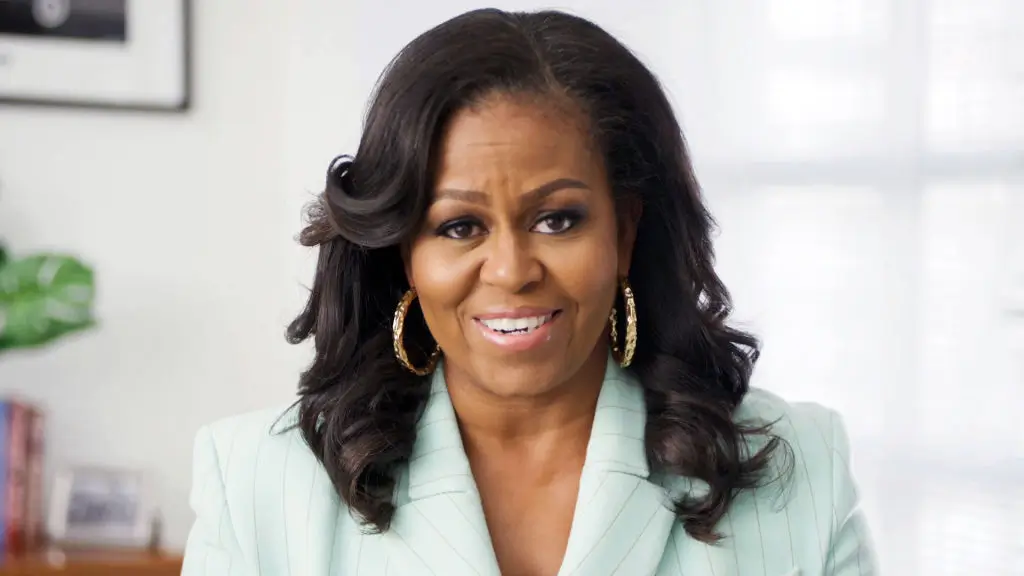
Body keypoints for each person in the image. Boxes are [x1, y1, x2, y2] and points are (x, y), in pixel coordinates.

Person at [182, 8, 876, 576]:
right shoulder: (256, 485)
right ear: (404, 254)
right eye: (459, 226)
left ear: (625, 232)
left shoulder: (798, 467)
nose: (512, 270)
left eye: (557, 219)